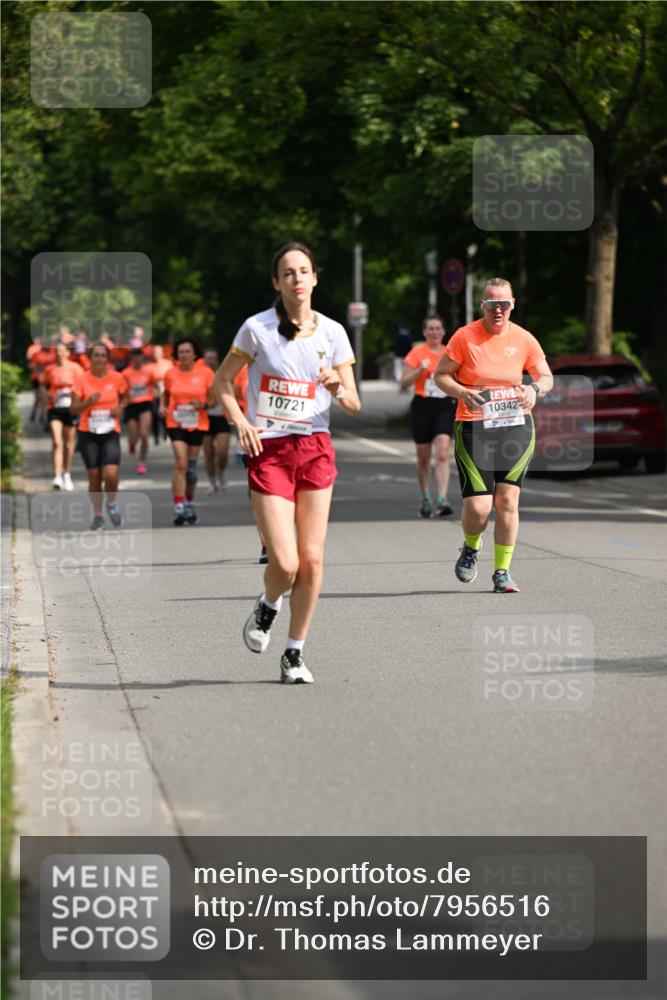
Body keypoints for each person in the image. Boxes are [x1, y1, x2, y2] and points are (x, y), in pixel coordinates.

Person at [214, 242, 360, 685]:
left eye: (304, 271)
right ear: (277, 282)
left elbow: (353, 403)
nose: (298, 279)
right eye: (288, 273)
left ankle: (294, 653)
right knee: (286, 561)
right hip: (270, 450)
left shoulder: (333, 332)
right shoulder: (256, 330)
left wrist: (337, 386)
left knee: (312, 561)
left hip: (315, 447)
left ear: (315, 278)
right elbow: (222, 383)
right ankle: (268, 603)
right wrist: (240, 420)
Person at [434, 277, 553, 593]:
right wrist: (461, 391)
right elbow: (441, 375)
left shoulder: (524, 338)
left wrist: (534, 389)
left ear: (512, 304)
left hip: (515, 425)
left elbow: (546, 376)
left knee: (508, 499)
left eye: (504, 304)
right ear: (482, 305)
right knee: (478, 507)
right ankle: (471, 546)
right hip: (474, 426)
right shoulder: (464, 337)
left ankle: (502, 571)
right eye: (491, 304)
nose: (498, 310)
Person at [400, 314, 456, 518]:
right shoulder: (416, 353)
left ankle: (442, 498)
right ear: (424, 332)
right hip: (422, 406)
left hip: (443, 405)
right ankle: (425, 497)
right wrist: (420, 370)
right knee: (423, 458)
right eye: (430, 328)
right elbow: (404, 383)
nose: (434, 332)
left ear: (443, 331)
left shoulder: (449, 353)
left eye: (437, 328)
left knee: (442, 452)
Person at [71, 342, 129, 530]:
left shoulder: (117, 378)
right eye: (95, 355)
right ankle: (97, 515)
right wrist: (88, 402)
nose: (99, 359)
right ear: (90, 358)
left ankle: (111, 503)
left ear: (107, 359)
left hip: (111, 430)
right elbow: (73, 409)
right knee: (94, 475)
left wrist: (120, 408)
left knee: (111, 473)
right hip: (88, 432)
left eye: (103, 355)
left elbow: (126, 396)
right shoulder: (82, 379)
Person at [161, 337, 215, 525]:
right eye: (181, 352)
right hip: (175, 423)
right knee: (181, 463)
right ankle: (178, 506)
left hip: (197, 423)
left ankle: (190, 503)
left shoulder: (206, 373)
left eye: (187, 352)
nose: (183, 355)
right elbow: (166, 394)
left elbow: (213, 401)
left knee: (191, 469)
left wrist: (202, 404)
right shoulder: (170, 373)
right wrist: (162, 406)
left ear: (194, 354)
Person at [41, 342, 82, 490]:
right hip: (55, 408)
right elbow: (43, 386)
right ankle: (57, 476)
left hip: (70, 409)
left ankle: (67, 473)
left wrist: (70, 385)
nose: (59, 354)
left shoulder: (75, 368)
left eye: (62, 351)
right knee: (57, 442)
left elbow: (83, 385)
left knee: (69, 445)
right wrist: (47, 396)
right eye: (57, 351)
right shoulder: (50, 369)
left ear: (67, 353)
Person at [202, 348, 231, 494]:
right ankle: (212, 482)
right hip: (204, 418)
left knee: (222, 452)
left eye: (213, 358)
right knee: (209, 453)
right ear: (203, 360)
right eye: (208, 358)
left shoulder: (224, 373)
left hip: (221, 417)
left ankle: (222, 473)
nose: (211, 361)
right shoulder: (199, 375)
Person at [121, 348, 155, 475]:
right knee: (134, 434)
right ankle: (132, 442)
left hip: (145, 403)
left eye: (139, 357)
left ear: (142, 358)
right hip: (131, 405)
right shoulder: (126, 373)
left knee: (144, 434)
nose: (137, 360)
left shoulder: (148, 371)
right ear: (131, 359)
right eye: (134, 358)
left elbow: (155, 384)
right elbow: (122, 390)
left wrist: (156, 392)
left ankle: (141, 462)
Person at [147, 344, 172, 444]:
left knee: (165, 413)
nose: (156, 354)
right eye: (154, 352)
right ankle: (156, 436)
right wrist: (153, 389)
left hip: (166, 393)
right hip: (154, 394)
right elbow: (148, 382)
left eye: (158, 352)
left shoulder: (168, 363)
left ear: (162, 353)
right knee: (154, 414)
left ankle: (166, 433)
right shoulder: (149, 366)